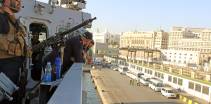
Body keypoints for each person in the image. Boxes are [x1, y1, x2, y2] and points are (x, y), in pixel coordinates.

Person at [0, 0, 28, 103]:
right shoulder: (2, 17)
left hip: (14, 66)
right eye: (16, 0)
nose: (19, 3)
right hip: (5, 68)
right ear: (6, 1)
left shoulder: (11, 19)